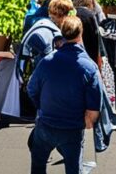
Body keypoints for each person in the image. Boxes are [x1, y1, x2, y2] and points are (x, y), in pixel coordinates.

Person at [27, 16, 102, 174]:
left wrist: (42, 107)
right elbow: (94, 108)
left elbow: (31, 88)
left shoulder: (46, 62)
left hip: (45, 125)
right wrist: (86, 122)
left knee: (38, 167)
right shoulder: (89, 67)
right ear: (80, 34)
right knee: (73, 170)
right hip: (71, 129)